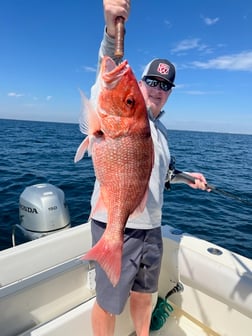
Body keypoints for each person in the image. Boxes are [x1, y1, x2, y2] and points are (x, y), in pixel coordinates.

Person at [89, 1, 209, 335]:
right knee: (108, 302)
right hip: (115, 223)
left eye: (165, 86)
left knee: (145, 295)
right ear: (141, 84)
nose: (158, 90)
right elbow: (106, 70)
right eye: (153, 82)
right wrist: (112, 27)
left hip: (152, 226)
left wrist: (187, 178)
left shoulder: (161, 131)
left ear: (170, 92)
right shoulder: (118, 111)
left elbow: (160, 173)